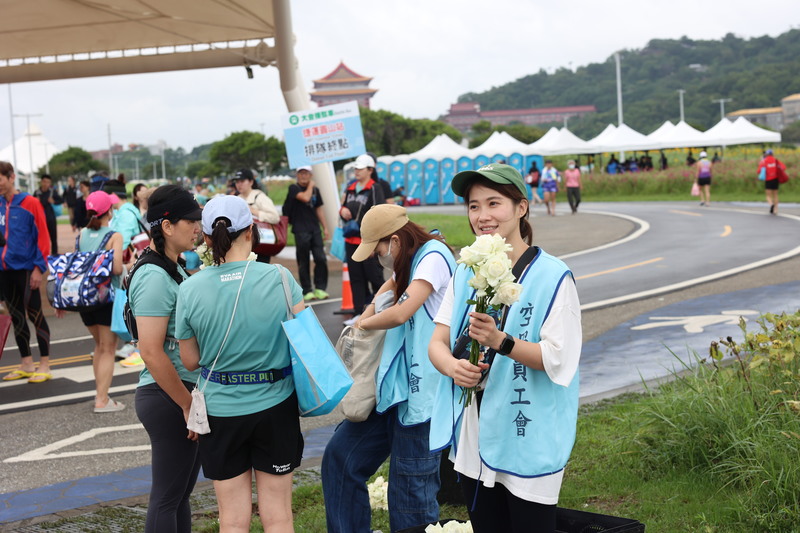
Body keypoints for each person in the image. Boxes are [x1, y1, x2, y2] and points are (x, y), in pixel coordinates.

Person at [428, 163, 581, 533]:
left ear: (521, 208)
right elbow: (437, 343)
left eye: (494, 203)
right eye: (474, 206)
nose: (483, 216)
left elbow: (555, 358)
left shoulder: (553, 276)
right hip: (475, 433)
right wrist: (452, 367)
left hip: (528, 430)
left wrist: (501, 341)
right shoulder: (466, 270)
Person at [322, 204, 456, 533]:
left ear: (395, 240)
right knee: (340, 459)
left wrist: (364, 323)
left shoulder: (433, 257)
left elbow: (401, 312)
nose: (376, 256)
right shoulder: (407, 261)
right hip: (391, 391)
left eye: (379, 248)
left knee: (410, 494)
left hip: (422, 397)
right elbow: (388, 291)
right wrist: (363, 316)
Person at [176, 195, 304, 533]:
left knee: (232, 520)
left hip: (220, 412)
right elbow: (306, 342)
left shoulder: (189, 290)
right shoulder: (279, 278)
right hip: (276, 404)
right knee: (279, 516)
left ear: (205, 238)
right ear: (251, 231)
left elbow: (189, 362)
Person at [128, 185, 203, 532]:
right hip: (167, 396)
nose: (198, 227)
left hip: (177, 393)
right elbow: (150, 351)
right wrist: (187, 405)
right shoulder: (154, 276)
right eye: (192, 220)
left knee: (178, 496)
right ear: (168, 226)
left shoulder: (172, 267)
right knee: (167, 498)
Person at [66, 191, 126, 412]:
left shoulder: (81, 234)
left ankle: (100, 395)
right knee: (108, 348)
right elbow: (117, 268)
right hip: (105, 298)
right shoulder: (114, 235)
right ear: (108, 211)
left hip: (84, 300)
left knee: (99, 347)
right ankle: (102, 400)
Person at [0, 162, 52, 383]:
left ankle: (45, 364)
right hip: (4, 270)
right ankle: (27, 362)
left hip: (27, 270)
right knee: (16, 316)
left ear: (11, 177)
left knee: (35, 315)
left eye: (0, 180)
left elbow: (43, 237)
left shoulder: (30, 203)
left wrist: (39, 269)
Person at [340, 154, 386, 326]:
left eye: (360, 168)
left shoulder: (375, 188)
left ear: (370, 170)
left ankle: (382, 311)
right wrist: (342, 211)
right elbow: (343, 205)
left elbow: (378, 212)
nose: (357, 171)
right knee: (356, 278)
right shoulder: (350, 187)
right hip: (350, 239)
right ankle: (358, 312)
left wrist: (375, 241)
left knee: (374, 277)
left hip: (368, 241)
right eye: (356, 168)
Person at [283, 166, 329, 302]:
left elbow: (319, 209)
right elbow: (305, 197)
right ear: (297, 175)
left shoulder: (316, 190)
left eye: (306, 173)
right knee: (303, 261)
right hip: (300, 229)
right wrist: (311, 186)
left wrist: (325, 227)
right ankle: (307, 290)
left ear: (311, 174)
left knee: (321, 258)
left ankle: (320, 288)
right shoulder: (294, 188)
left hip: (314, 229)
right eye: (301, 173)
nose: (303, 176)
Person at [233, 168, 280, 263]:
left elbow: (275, 217)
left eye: (242, 181)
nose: (239, 184)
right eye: (237, 182)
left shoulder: (260, 197)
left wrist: (254, 211)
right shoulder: (236, 199)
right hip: (242, 246)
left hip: (261, 245)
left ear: (251, 182)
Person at [33, 174, 62, 255]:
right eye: (44, 182)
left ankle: (54, 255)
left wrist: (54, 201)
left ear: (50, 183)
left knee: (53, 238)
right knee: (40, 238)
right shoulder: (37, 192)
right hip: (40, 219)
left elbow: (61, 200)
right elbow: (32, 203)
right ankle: (41, 255)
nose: (46, 184)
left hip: (51, 218)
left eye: (48, 182)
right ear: (41, 182)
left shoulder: (52, 192)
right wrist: (36, 201)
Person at [758, 149, 786, 215]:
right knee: (775, 195)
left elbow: (759, 171)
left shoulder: (764, 161)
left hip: (768, 179)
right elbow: (783, 167)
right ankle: (775, 209)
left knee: (768, 195)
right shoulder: (776, 160)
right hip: (775, 179)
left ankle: (771, 205)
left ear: (766, 154)